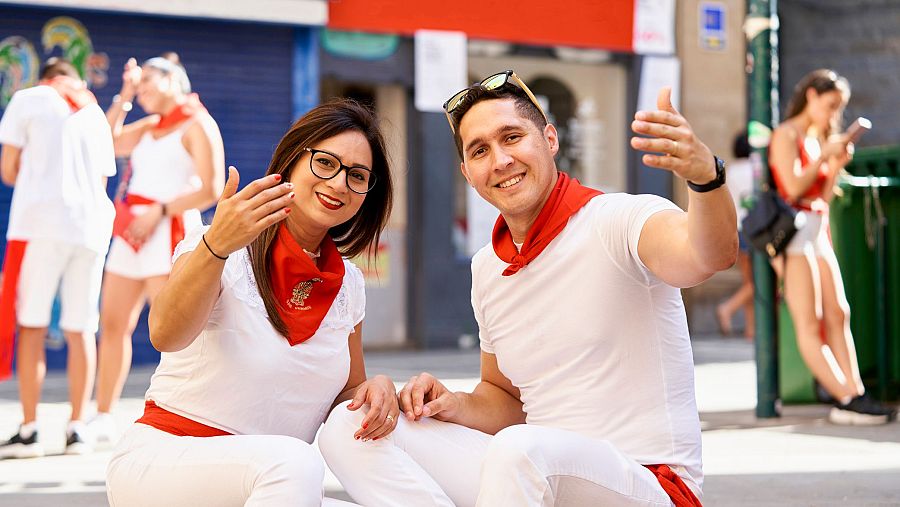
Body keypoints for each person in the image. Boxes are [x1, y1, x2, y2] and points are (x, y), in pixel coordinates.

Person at [319, 70, 738, 506]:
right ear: (467, 173)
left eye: (512, 137)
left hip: (648, 482)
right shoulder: (487, 267)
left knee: (521, 448)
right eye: (480, 150)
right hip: (532, 479)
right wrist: (454, 403)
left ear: (550, 139)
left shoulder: (617, 219)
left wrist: (705, 178)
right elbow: (505, 398)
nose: (500, 160)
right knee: (349, 426)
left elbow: (709, 254)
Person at [105, 99, 398, 506]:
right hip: (167, 460)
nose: (338, 184)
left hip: (268, 483)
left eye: (357, 175)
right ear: (292, 161)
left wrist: (374, 390)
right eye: (325, 163)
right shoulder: (215, 245)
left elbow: (344, 397)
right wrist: (216, 246)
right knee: (295, 464)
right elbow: (165, 334)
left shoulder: (349, 284)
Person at [91, 53, 224, 443]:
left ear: (173, 80)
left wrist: (159, 211)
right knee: (113, 324)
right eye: (139, 82)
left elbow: (212, 188)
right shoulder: (150, 125)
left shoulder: (197, 123)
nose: (141, 87)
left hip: (169, 234)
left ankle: (184, 416)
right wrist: (124, 94)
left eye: (148, 79)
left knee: (175, 331)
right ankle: (102, 416)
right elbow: (105, 143)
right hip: (131, 235)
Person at [0, 57, 116, 457]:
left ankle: (29, 430)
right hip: (90, 229)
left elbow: (8, 170)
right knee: (81, 327)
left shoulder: (29, 98)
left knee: (32, 325)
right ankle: (77, 428)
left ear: (45, 77)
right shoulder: (94, 110)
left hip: (41, 225)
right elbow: (103, 178)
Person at [769, 69, 895, 425]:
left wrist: (835, 165)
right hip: (794, 234)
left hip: (817, 228)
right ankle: (846, 398)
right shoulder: (787, 134)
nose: (833, 113)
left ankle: (855, 392)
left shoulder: (817, 138)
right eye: (830, 105)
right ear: (811, 95)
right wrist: (825, 155)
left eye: (839, 107)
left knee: (839, 312)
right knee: (810, 322)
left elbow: (822, 197)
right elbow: (793, 188)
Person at [716, 130, 755, 339]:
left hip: (738, 228)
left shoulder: (731, 170)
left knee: (748, 281)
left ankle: (751, 329)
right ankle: (728, 309)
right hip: (754, 228)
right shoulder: (755, 168)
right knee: (758, 283)